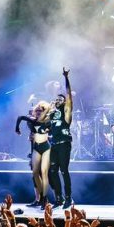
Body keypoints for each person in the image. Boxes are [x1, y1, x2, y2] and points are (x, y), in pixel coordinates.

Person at [42, 67, 74, 208]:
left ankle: (68, 198)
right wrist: (50, 108)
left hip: (64, 143)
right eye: (56, 99)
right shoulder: (53, 113)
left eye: (60, 99)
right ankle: (58, 198)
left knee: (64, 170)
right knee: (52, 171)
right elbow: (42, 121)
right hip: (54, 144)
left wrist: (66, 77)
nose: (58, 100)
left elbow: (68, 95)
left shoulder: (66, 112)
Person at [15, 101, 52, 207]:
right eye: (37, 111)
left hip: (45, 150)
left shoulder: (48, 121)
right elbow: (20, 117)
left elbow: (53, 135)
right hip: (35, 150)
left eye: (41, 111)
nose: (39, 112)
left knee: (43, 174)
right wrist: (17, 128)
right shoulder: (32, 121)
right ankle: (38, 199)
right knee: (35, 175)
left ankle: (45, 199)